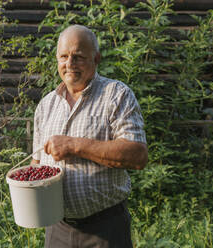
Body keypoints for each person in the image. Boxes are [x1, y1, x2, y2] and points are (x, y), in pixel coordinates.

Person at [31, 24, 148, 248]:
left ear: (96, 58)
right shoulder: (46, 105)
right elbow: (37, 162)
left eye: (78, 57)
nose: (69, 64)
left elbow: (138, 155)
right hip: (57, 229)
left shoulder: (116, 95)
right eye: (64, 56)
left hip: (105, 229)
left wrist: (74, 145)